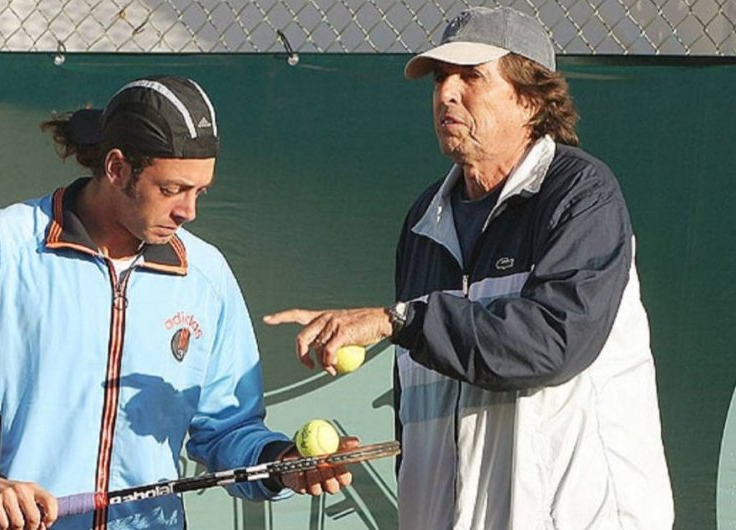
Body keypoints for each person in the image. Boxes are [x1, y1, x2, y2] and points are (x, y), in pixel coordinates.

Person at [0, 75, 353, 530]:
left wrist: (283, 465)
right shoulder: (1, 246)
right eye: (172, 189)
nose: (189, 211)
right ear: (116, 168)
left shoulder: (205, 275)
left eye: (201, 190)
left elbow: (226, 430)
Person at [264, 7, 674, 529]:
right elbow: (434, 397)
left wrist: (399, 322)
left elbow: (553, 341)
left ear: (530, 97)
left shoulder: (580, 195)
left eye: (471, 76)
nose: (446, 94)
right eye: (439, 78)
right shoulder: (423, 220)